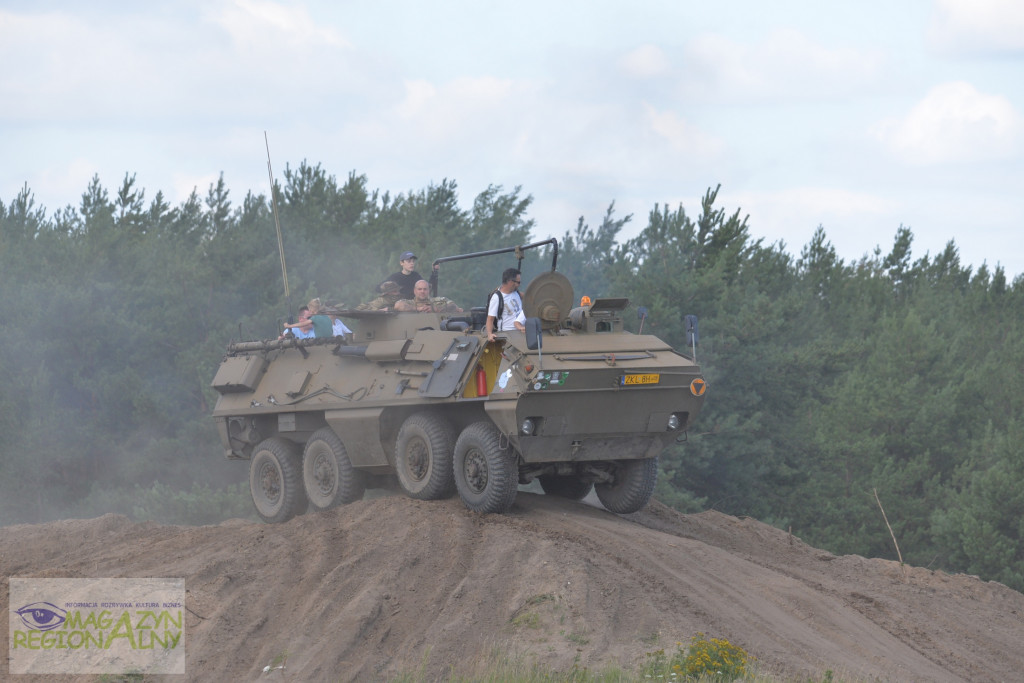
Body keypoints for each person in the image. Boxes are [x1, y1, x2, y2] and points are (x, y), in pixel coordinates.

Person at [485, 267, 526, 341]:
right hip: (507, 336)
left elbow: (528, 297)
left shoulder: (516, 292)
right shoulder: (497, 298)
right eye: (518, 282)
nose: (519, 285)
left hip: (522, 332)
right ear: (510, 281)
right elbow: (490, 319)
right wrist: (489, 334)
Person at [394, 279, 463, 313]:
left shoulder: (438, 301)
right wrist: (418, 308)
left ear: (428, 291)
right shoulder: (410, 303)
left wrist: (435, 309)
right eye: (419, 289)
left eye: (425, 289)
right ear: (415, 291)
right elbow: (398, 306)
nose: (422, 291)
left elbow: (453, 306)